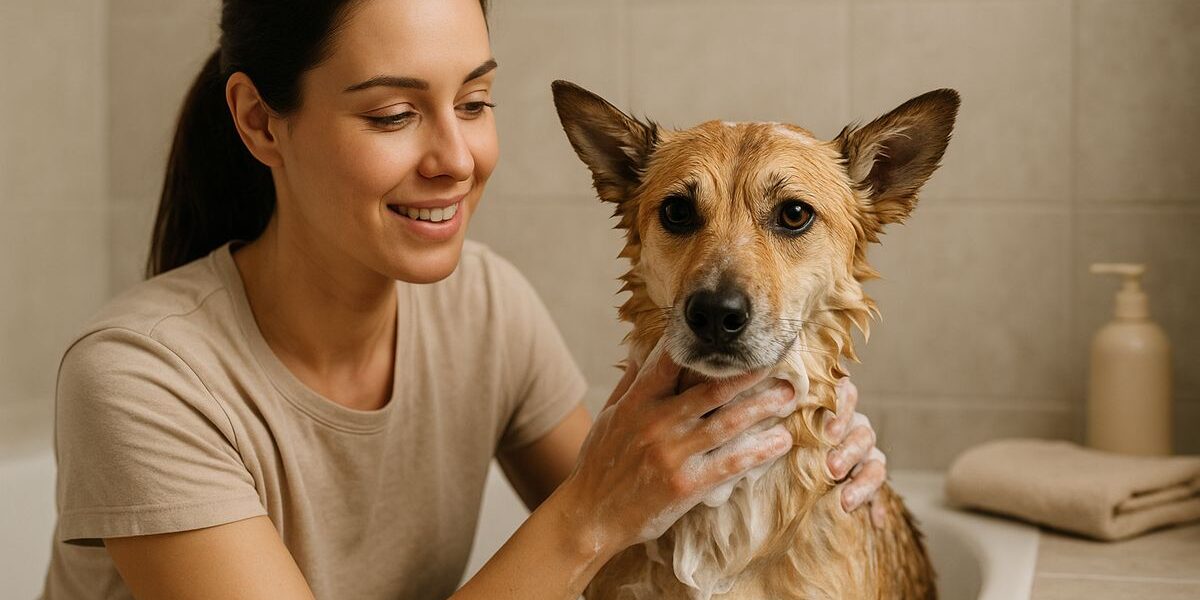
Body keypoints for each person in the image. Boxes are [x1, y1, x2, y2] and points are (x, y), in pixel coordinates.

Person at [42, 0, 889, 598]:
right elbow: (594, 514)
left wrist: (807, 464)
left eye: (475, 102)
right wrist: (589, 517)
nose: (456, 158)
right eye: (392, 114)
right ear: (262, 123)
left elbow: (647, 519)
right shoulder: (140, 379)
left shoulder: (484, 305)